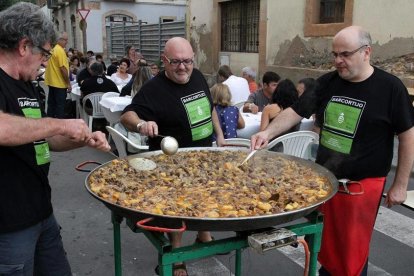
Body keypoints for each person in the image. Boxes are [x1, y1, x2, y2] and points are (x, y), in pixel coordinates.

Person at [251, 26, 414, 276]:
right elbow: (296, 111)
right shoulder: (328, 82)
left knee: (352, 252)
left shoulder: (390, 88)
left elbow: (407, 135)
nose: (338, 60)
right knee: (326, 245)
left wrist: (400, 184)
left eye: (345, 54)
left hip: (363, 185)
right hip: (326, 181)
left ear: (366, 52)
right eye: (335, 54)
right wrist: (267, 132)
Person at [0, 3, 110, 275]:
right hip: (8, 225)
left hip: (41, 212)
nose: (46, 61)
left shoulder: (25, 83)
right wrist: (58, 123)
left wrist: (81, 139)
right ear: (24, 46)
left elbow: (42, 138)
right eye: (45, 53)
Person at [120, 37, 225, 276]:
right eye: (176, 62)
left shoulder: (197, 76)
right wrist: (141, 125)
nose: (182, 67)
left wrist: (218, 135)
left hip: (204, 155)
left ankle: (203, 234)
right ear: (164, 61)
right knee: (177, 207)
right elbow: (127, 116)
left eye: (187, 61)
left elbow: (209, 109)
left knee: (205, 194)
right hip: (172, 163)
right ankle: (177, 257)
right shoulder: (154, 89)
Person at [44, 31, 71, 118]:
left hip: (51, 82)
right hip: (59, 83)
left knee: (51, 106)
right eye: (65, 40)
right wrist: (68, 83)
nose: (67, 42)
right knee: (60, 108)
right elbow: (63, 68)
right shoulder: (60, 50)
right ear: (59, 40)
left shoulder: (52, 49)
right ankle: (60, 128)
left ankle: (49, 125)